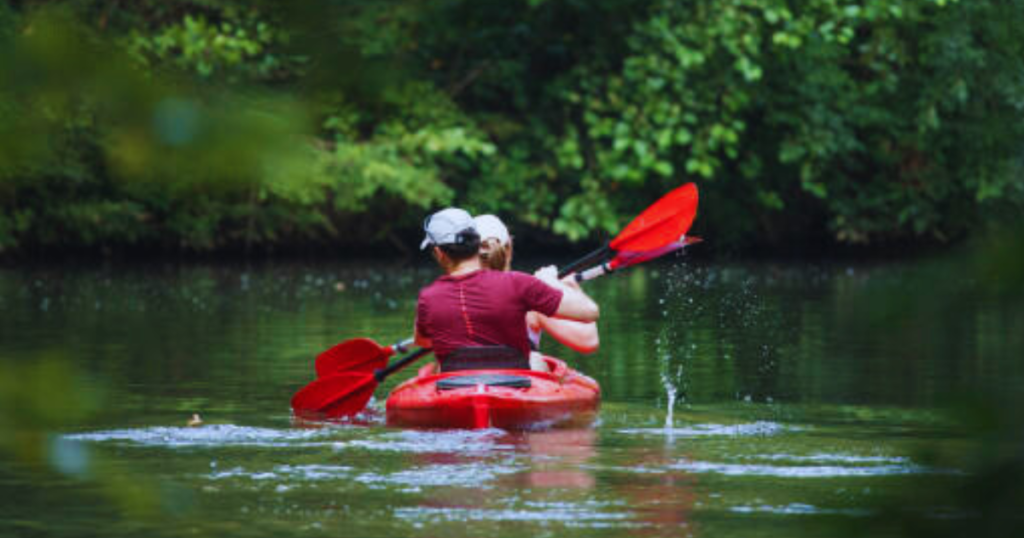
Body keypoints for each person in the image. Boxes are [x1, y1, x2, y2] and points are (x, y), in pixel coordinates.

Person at [414, 208, 599, 371]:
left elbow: (423, 341)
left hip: (455, 387)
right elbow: (590, 313)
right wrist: (553, 282)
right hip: (514, 384)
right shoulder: (522, 284)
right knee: (534, 359)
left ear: (439, 253)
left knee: (437, 367)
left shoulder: (428, 297)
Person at [474, 214, 600, 362]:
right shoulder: (530, 294)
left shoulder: (449, 294)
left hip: (462, 379)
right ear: (509, 249)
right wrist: (565, 287)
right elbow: (588, 341)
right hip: (516, 380)